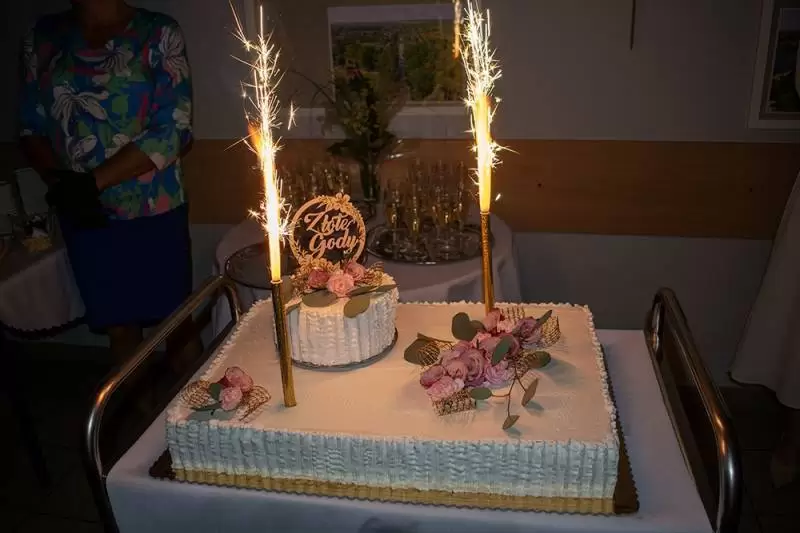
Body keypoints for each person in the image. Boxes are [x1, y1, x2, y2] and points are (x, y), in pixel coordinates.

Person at [18, 0, 198, 366]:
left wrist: (92, 183)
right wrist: (64, 186)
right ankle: (134, 404)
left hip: (153, 207)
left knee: (177, 324)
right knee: (119, 329)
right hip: (83, 212)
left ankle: (201, 403)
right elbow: (30, 127)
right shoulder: (42, 37)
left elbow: (173, 129)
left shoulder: (158, 31)